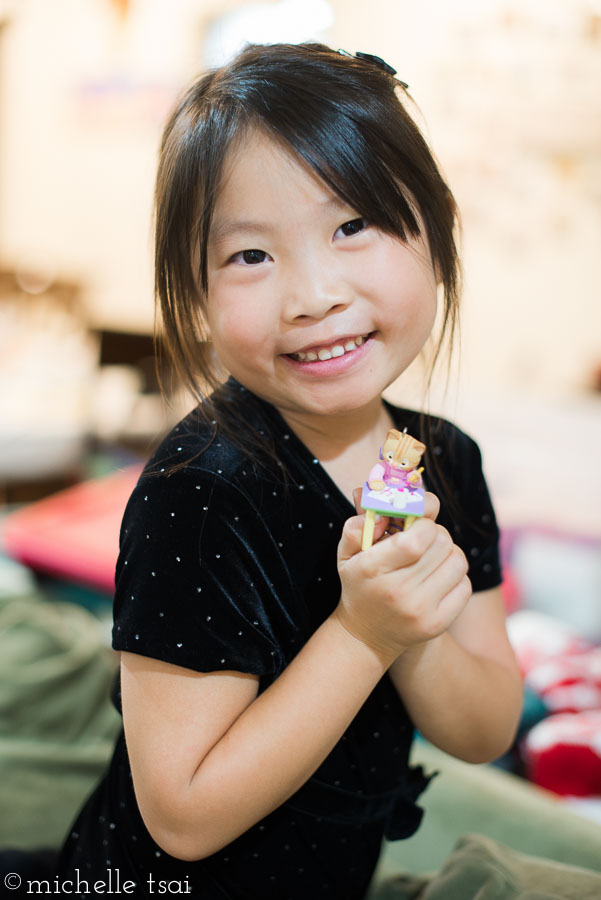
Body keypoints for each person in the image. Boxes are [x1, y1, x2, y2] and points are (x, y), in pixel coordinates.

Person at [55, 42, 523, 899]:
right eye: (249, 256)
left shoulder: (445, 461)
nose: (312, 294)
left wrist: (411, 632)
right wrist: (365, 633)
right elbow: (183, 816)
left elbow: (487, 725)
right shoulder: (201, 489)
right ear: (194, 294)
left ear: (436, 224)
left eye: (352, 226)